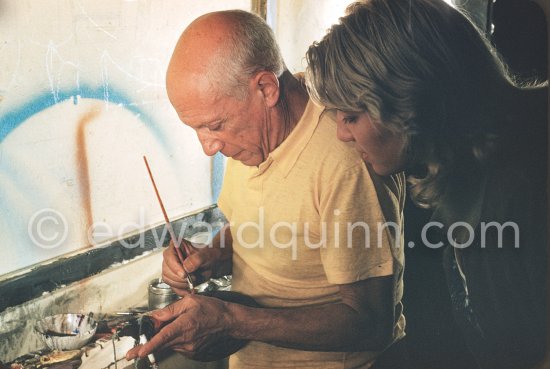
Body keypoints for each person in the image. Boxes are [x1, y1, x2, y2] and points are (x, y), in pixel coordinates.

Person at [126, 9, 406, 369]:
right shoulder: (251, 130)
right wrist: (210, 256)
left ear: (265, 89)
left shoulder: (346, 157)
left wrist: (233, 320)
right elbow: (264, 226)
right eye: (197, 129)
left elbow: (370, 323)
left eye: (214, 126)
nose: (208, 147)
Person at [305, 1, 548, 368]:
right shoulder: (452, 171)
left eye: (352, 116)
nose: (341, 134)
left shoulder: (529, 180)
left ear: (408, 99)